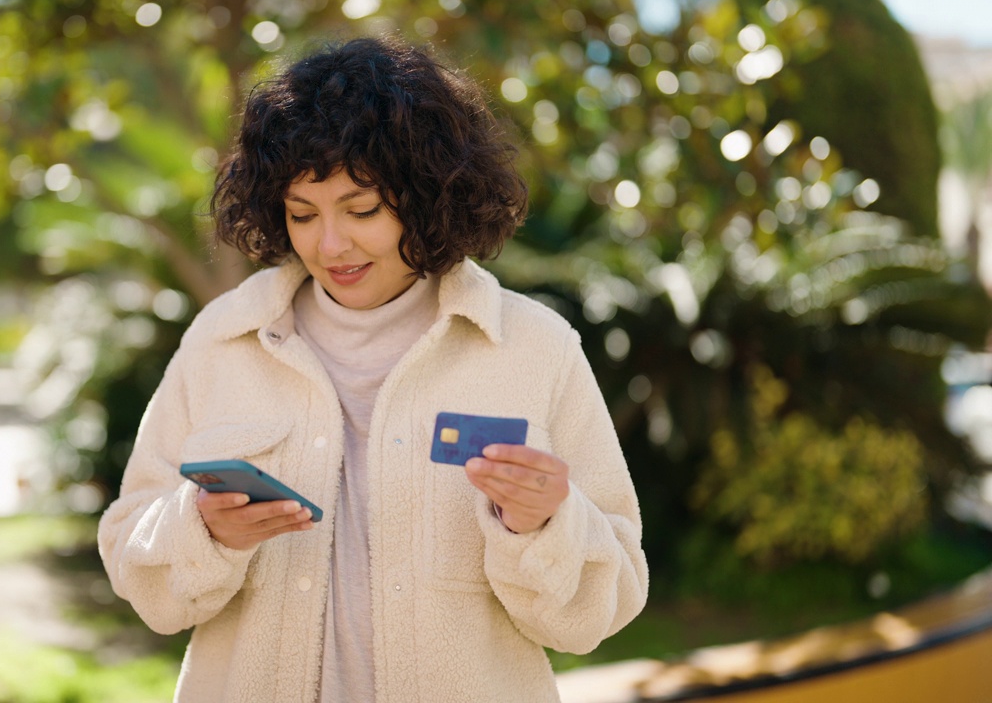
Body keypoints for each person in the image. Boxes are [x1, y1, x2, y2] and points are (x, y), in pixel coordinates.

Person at [97, 36, 647, 702]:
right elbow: (138, 564)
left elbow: (599, 612)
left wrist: (544, 524)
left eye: (362, 211)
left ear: (427, 196)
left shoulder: (535, 348)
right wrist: (202, 529)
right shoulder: (222, 340)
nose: (330, 245)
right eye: (303, 214)